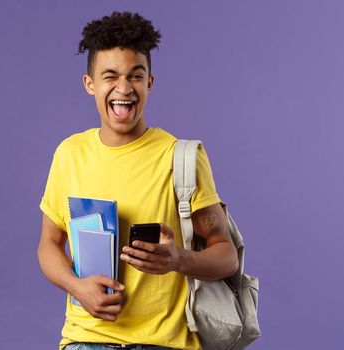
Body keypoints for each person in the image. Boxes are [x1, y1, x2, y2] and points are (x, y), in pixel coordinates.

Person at [37, 11, 239, 350]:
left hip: (165, 343)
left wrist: (178, 259)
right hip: (85, 341)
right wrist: (77, 286)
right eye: (110, 76)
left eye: (135, 75)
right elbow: (48, 245)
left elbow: (227, 256)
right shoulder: (69, 154)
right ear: (90, 84)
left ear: (150, 82)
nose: (123, 88)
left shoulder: (181, 157)